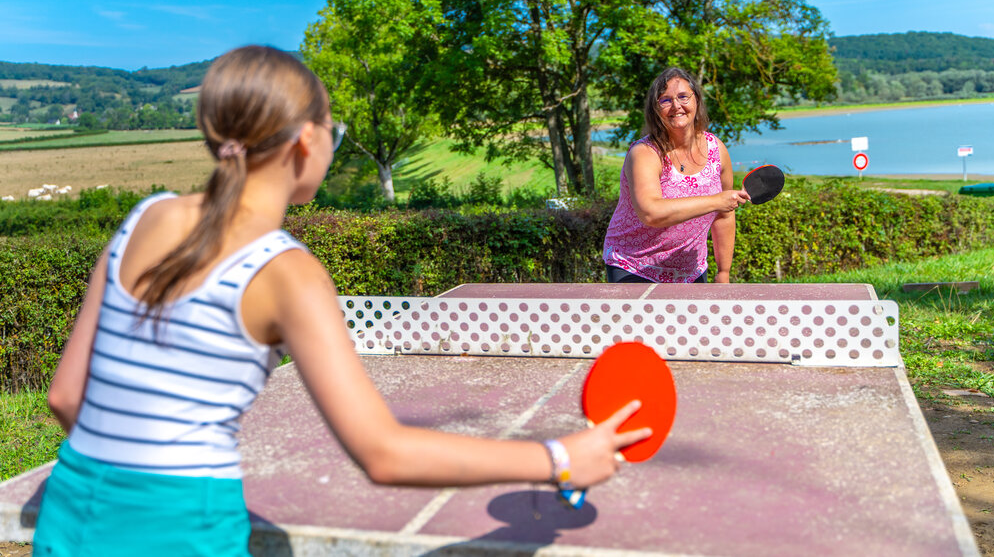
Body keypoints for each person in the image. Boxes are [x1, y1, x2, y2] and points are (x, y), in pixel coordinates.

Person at [36, 46, 648, 556]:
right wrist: (560, 456)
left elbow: (66, 396)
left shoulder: (147, 215)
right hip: (184, 530)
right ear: (306, 142)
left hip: (71, 510)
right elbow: (382, 453)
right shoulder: (285, 271)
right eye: (334, 130)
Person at [603, 67, 749, 284]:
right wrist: (716, 200)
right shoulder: (644, 153)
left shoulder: (717, 149)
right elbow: (651, 213)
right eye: (665, 100)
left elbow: (724, 214)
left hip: (691, 270)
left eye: (683, 96)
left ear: (696, 100)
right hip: (635, 267)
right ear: (655, 109)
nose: (676, 106)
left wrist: (723, 273)